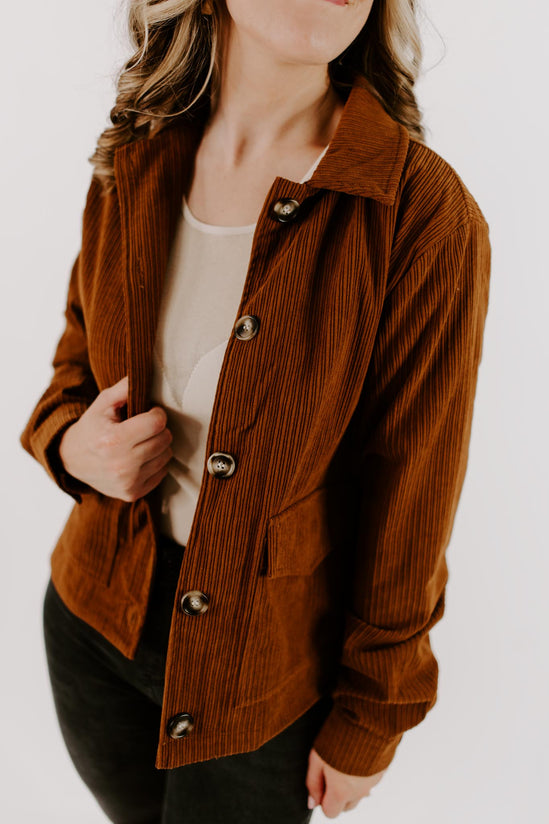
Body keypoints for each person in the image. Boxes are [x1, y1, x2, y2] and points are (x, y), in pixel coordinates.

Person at [20, 0, 492, 821]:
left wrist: (372, 718)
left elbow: (412, 498)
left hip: (261, 682)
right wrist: (68, 444)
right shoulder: (139, 147)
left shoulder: (418, 215)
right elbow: (77, 355)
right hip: (93, 623)